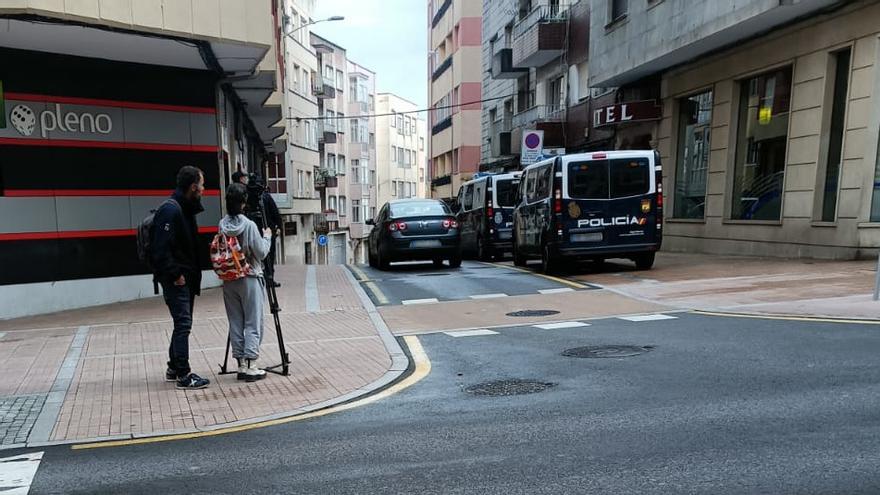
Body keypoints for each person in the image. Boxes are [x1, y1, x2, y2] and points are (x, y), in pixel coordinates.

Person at [151, 166, 210, 390]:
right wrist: (176, 275)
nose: (204, 190)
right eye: (202, 185)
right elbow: (160, 249)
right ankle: (184, 375)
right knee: (183, 324)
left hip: (186, 276)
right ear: (193, 187)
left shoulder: (184, 209)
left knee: (182, 323)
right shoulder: (171, 210)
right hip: (178, 279)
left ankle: (174, 367)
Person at [218, 183, 272, 382]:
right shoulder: (249, 225)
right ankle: (252, 364)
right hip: (249, 276)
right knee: (252, 321)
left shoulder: (222, 224)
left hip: (229, 278)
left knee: (235, 321)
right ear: (243, 203)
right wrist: (267, 237)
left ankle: (240, 363)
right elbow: (261, 252)